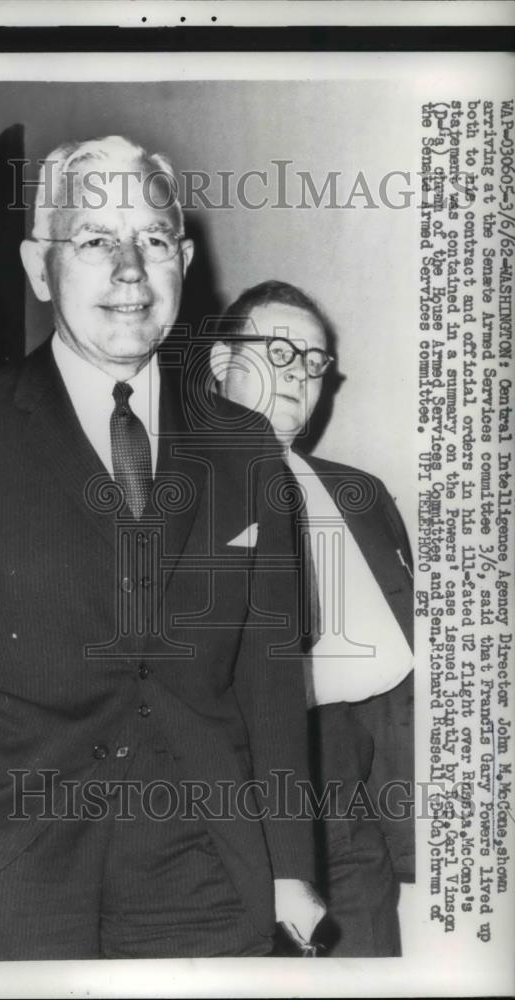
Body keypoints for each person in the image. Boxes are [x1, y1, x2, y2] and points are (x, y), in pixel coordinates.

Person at [0, 136, 324, 962]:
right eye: (94, 240)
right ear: (39, 267)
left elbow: (267, 676)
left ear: (182, 262)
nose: (129, 270)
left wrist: (289, 865)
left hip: (204, 865)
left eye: (152, 240)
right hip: (4, 860)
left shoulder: (244, 448)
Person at [210, 279, 414, 956]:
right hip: (230, 796)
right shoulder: (169, 485)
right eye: (278, 351)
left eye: (314, 360)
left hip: (346, 790)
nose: (299, 373)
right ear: (220, 364)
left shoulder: (360, 494)